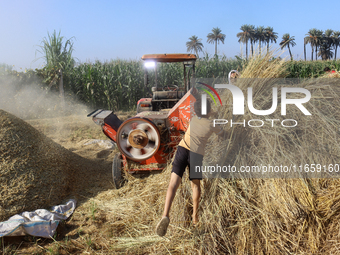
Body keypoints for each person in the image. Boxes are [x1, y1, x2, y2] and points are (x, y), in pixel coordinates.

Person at [155, 97, 225, 237]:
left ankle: (165, 215)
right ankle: (195, 218)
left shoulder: (193, 119)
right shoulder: (211, 124)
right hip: (196, 155)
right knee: (195, 186)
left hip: (182, 150)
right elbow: (222, 134)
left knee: (173, 184)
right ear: (209, 110)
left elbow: (203, 113)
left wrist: (210, 112)